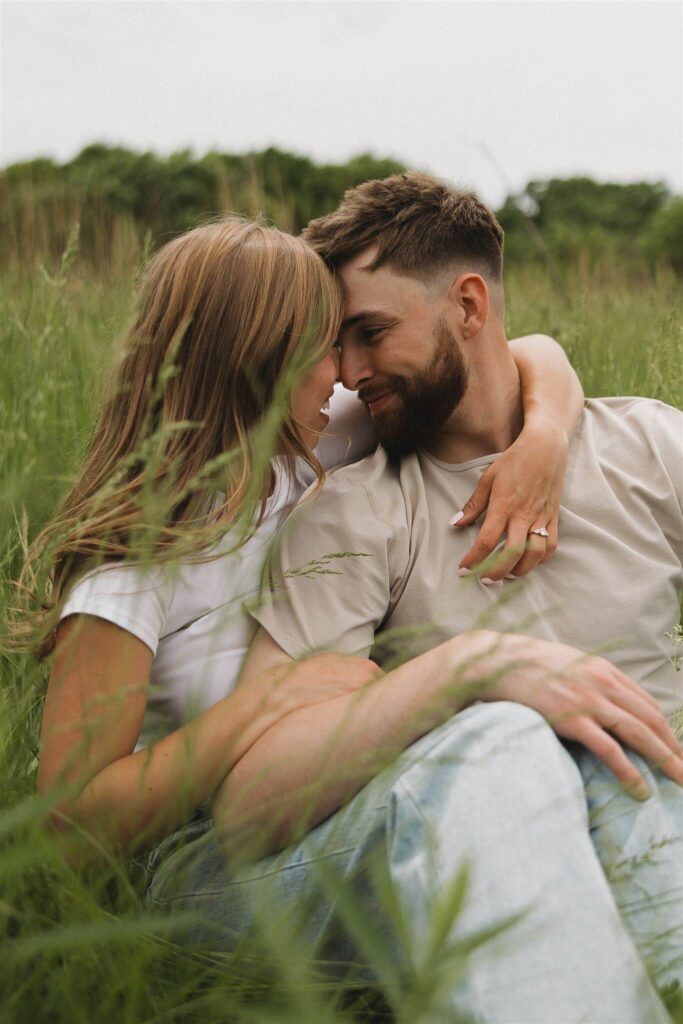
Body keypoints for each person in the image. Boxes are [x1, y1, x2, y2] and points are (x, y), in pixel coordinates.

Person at [166, 176, 683, 1023]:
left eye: (370, 334)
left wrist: (546, 431)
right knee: (511, 737)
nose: (346, 376)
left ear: (469, 307)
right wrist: (472, 673)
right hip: (477, 819)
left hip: (645, 812)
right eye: (337, 346)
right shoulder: (355, 507)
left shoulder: (645, 446)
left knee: (627, 791)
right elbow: (251, 802)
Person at [27, 215, 583, 864]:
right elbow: (64, 828)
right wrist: (260, 703)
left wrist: (545, 437)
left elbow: (526, 351)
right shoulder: (131, 568)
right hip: (203, 856)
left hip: (326, 805)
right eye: (323, 348)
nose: (345, 374)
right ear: (255, 359)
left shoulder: (309, 449)